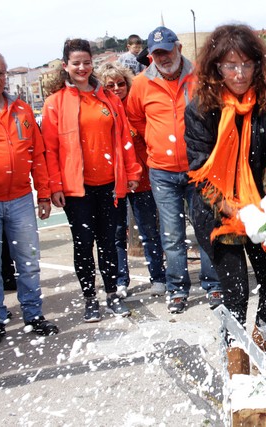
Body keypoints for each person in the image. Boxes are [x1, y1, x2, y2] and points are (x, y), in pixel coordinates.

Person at [184, 24, 266, 377]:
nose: (240, 74)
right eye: (231, 66)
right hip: (218, 212)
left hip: (262, 201)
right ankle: (236, 365)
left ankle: (260, 352)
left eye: (247, 65)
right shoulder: (201, 108)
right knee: (235, 292)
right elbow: (201, 176)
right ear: (216, 67)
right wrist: (239, 211)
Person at [42, 39, 141, 322]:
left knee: (109, 243)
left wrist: (132, 172)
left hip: (110, 184)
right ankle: (89, 299)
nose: (83, 68)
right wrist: (54, 187)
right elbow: (50, 150)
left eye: (87, 62)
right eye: (76, 63)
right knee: (83, 244)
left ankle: (112, 294)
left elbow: (124, 139)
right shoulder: (54, 104)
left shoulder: (109, 99)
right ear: (66, 66)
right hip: (77, 190)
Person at [126, 26, 221, 313]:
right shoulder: (142, 84)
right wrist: (156, 146)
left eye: (167, 51)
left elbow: (216, 116)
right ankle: (177, 288)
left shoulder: (201, 77)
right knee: (171, 235)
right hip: (163, 172)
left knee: (206, 230)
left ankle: (213, 285)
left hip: (198, 170)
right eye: (157, 54)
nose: (163, 58)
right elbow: (136, 121)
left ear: (178, 48)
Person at [0, 49, 59, 345]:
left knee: (29, 261)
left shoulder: (22, 111)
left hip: (21, 199)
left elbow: (38, 156)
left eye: (1, 73)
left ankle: (33, 315)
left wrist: (43, 194)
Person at [97, 62, 166, 299]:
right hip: (114, 182)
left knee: (149, 231)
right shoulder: (102, 111)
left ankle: (158, 277)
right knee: (116, 234)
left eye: (120, 83)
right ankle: (120, 280)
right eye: (110, 85)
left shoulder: (136, 109)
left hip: (143, 180)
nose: (116, 88)